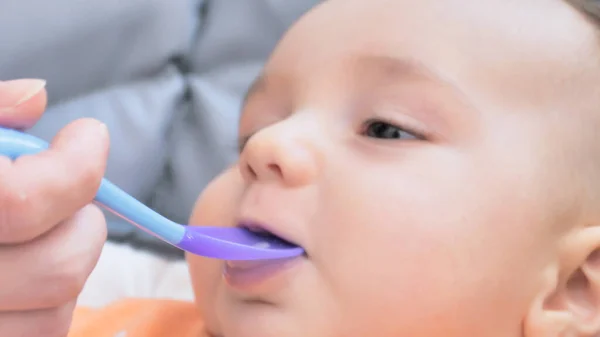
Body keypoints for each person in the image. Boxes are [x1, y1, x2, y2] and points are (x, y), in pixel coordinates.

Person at [4, 0, 600, 336]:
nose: (267, 149)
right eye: (251, 131)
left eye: (386, 129)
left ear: (574, 286)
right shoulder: (96, 318)